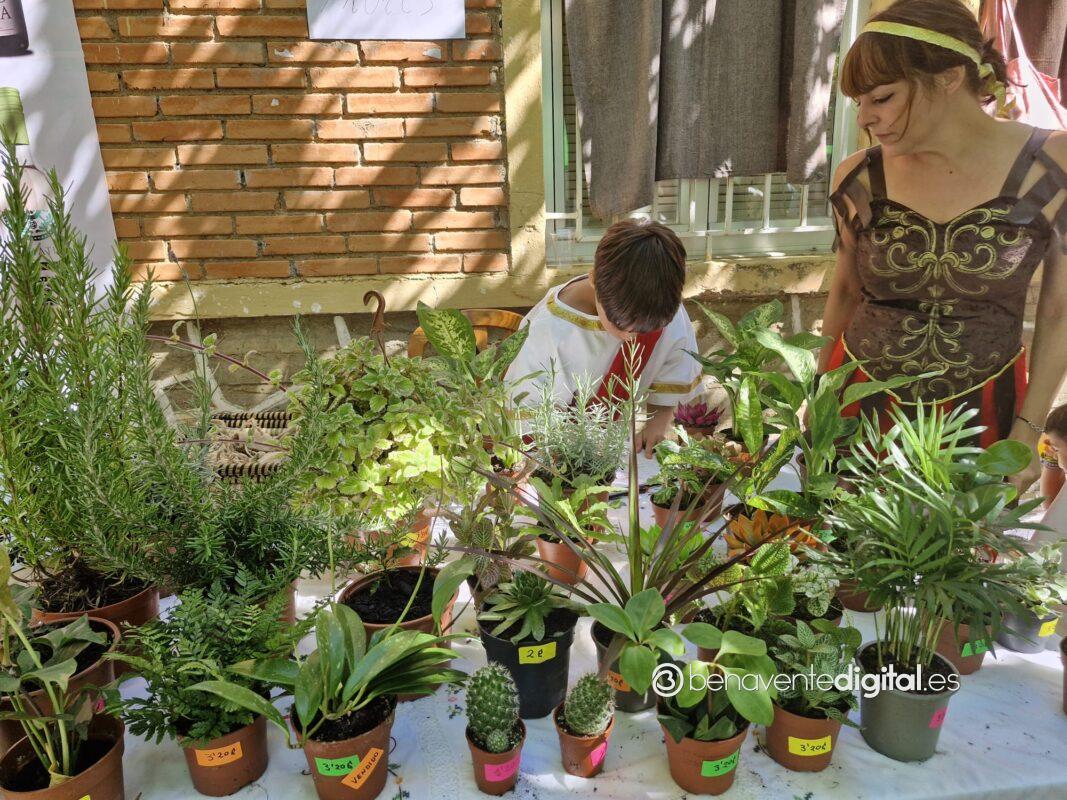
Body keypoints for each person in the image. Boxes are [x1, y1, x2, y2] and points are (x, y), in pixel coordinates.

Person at [818, 0, 1067, 496]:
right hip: (860, 411)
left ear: (950, 78)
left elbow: (1061, 309)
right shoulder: (859, 176)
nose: (865, 118)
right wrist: (818, 403)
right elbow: (844, 293)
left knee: (959, 545)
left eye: (881, 98)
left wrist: (1027, 432)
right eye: (859, 103)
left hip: (985, 414)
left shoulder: (1052, 164)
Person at [505, 219, 700, 456]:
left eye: (645, 330)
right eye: (620, 325)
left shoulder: (659, 304)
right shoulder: (549, 329)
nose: (630, 337)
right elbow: (530, 417)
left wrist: (658, 423)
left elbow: (674, 365)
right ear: (594, 279)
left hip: (616, 448)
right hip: (557, 451)